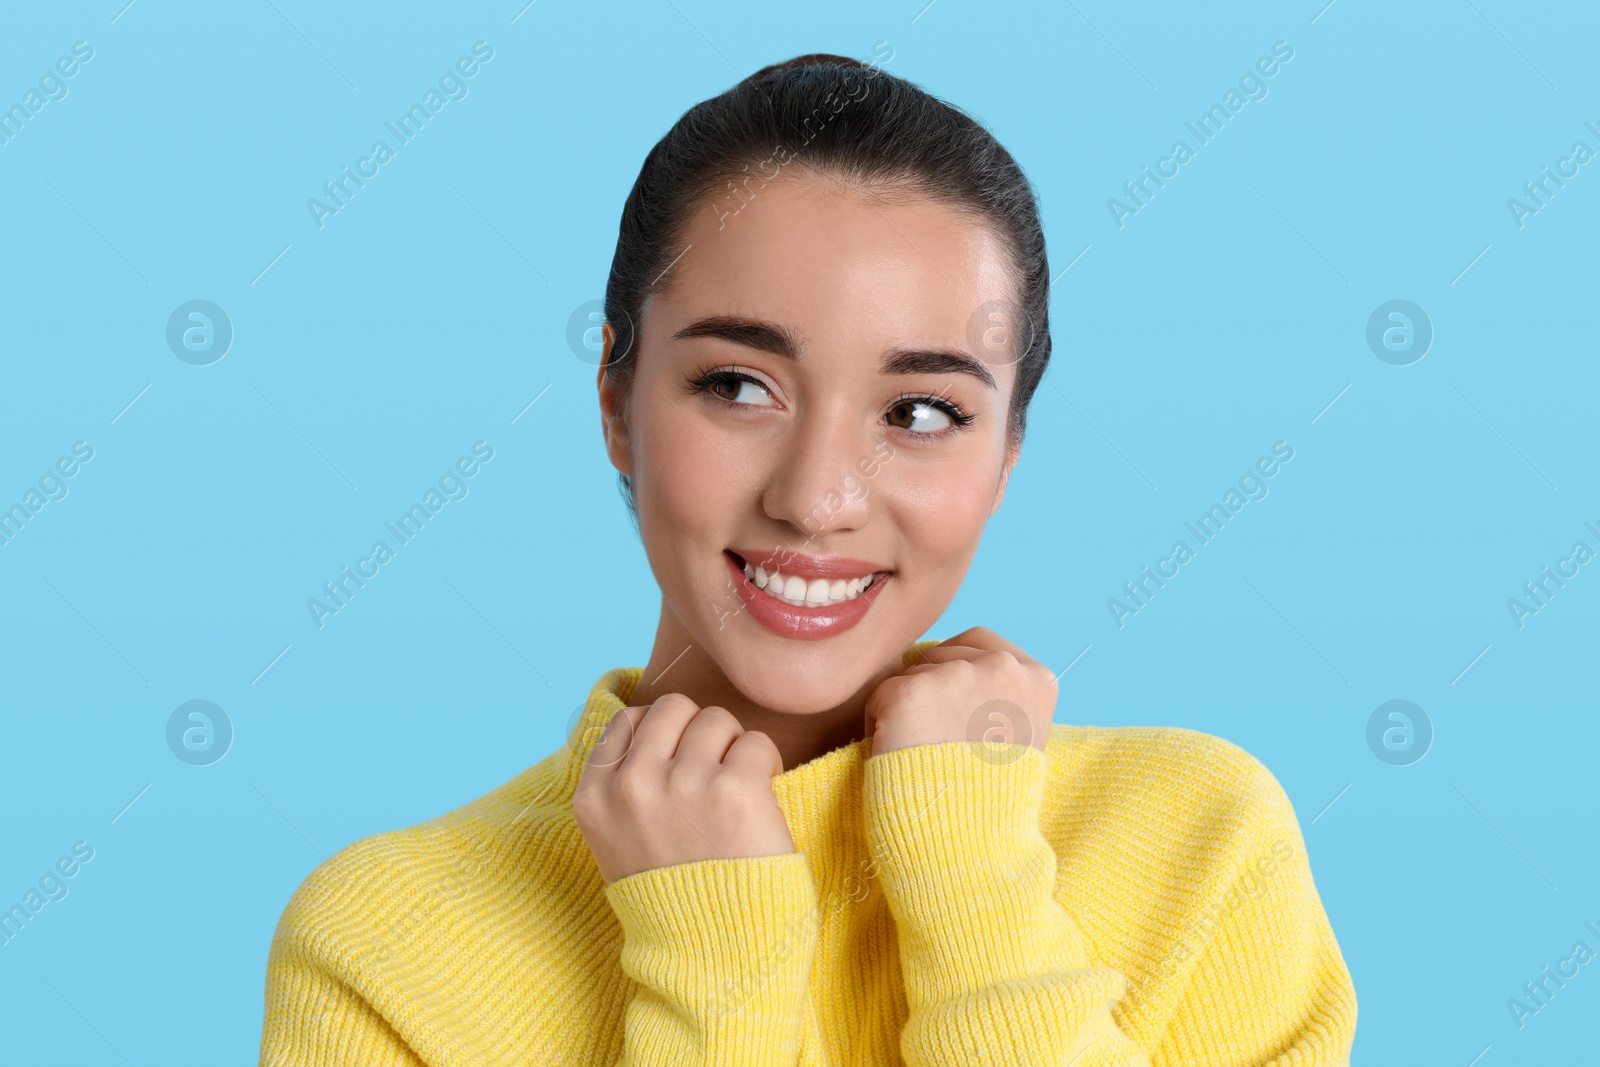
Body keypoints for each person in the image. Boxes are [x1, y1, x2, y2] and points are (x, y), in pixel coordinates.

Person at [257, 52, 1357, 1065]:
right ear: (614, 402)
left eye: (922, 409)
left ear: (1008, 450)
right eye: (739, 385)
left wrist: (971, 882)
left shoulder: (1200, 841)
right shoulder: (386, 947)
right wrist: (714, 965)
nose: (816, 498)